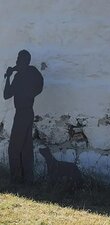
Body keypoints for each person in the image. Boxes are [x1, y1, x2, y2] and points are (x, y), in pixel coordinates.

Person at [4, 50, 44, 184]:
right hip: (28, 112)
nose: (16, 62)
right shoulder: (32, 73)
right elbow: (40, 86)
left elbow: (6, 94)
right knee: (26, 147)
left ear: (23, 61)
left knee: (14, 147)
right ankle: (28, 179)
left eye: (18, 59)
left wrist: (9, 75)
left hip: (21, 114)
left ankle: (16, 179)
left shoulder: (20, 77)